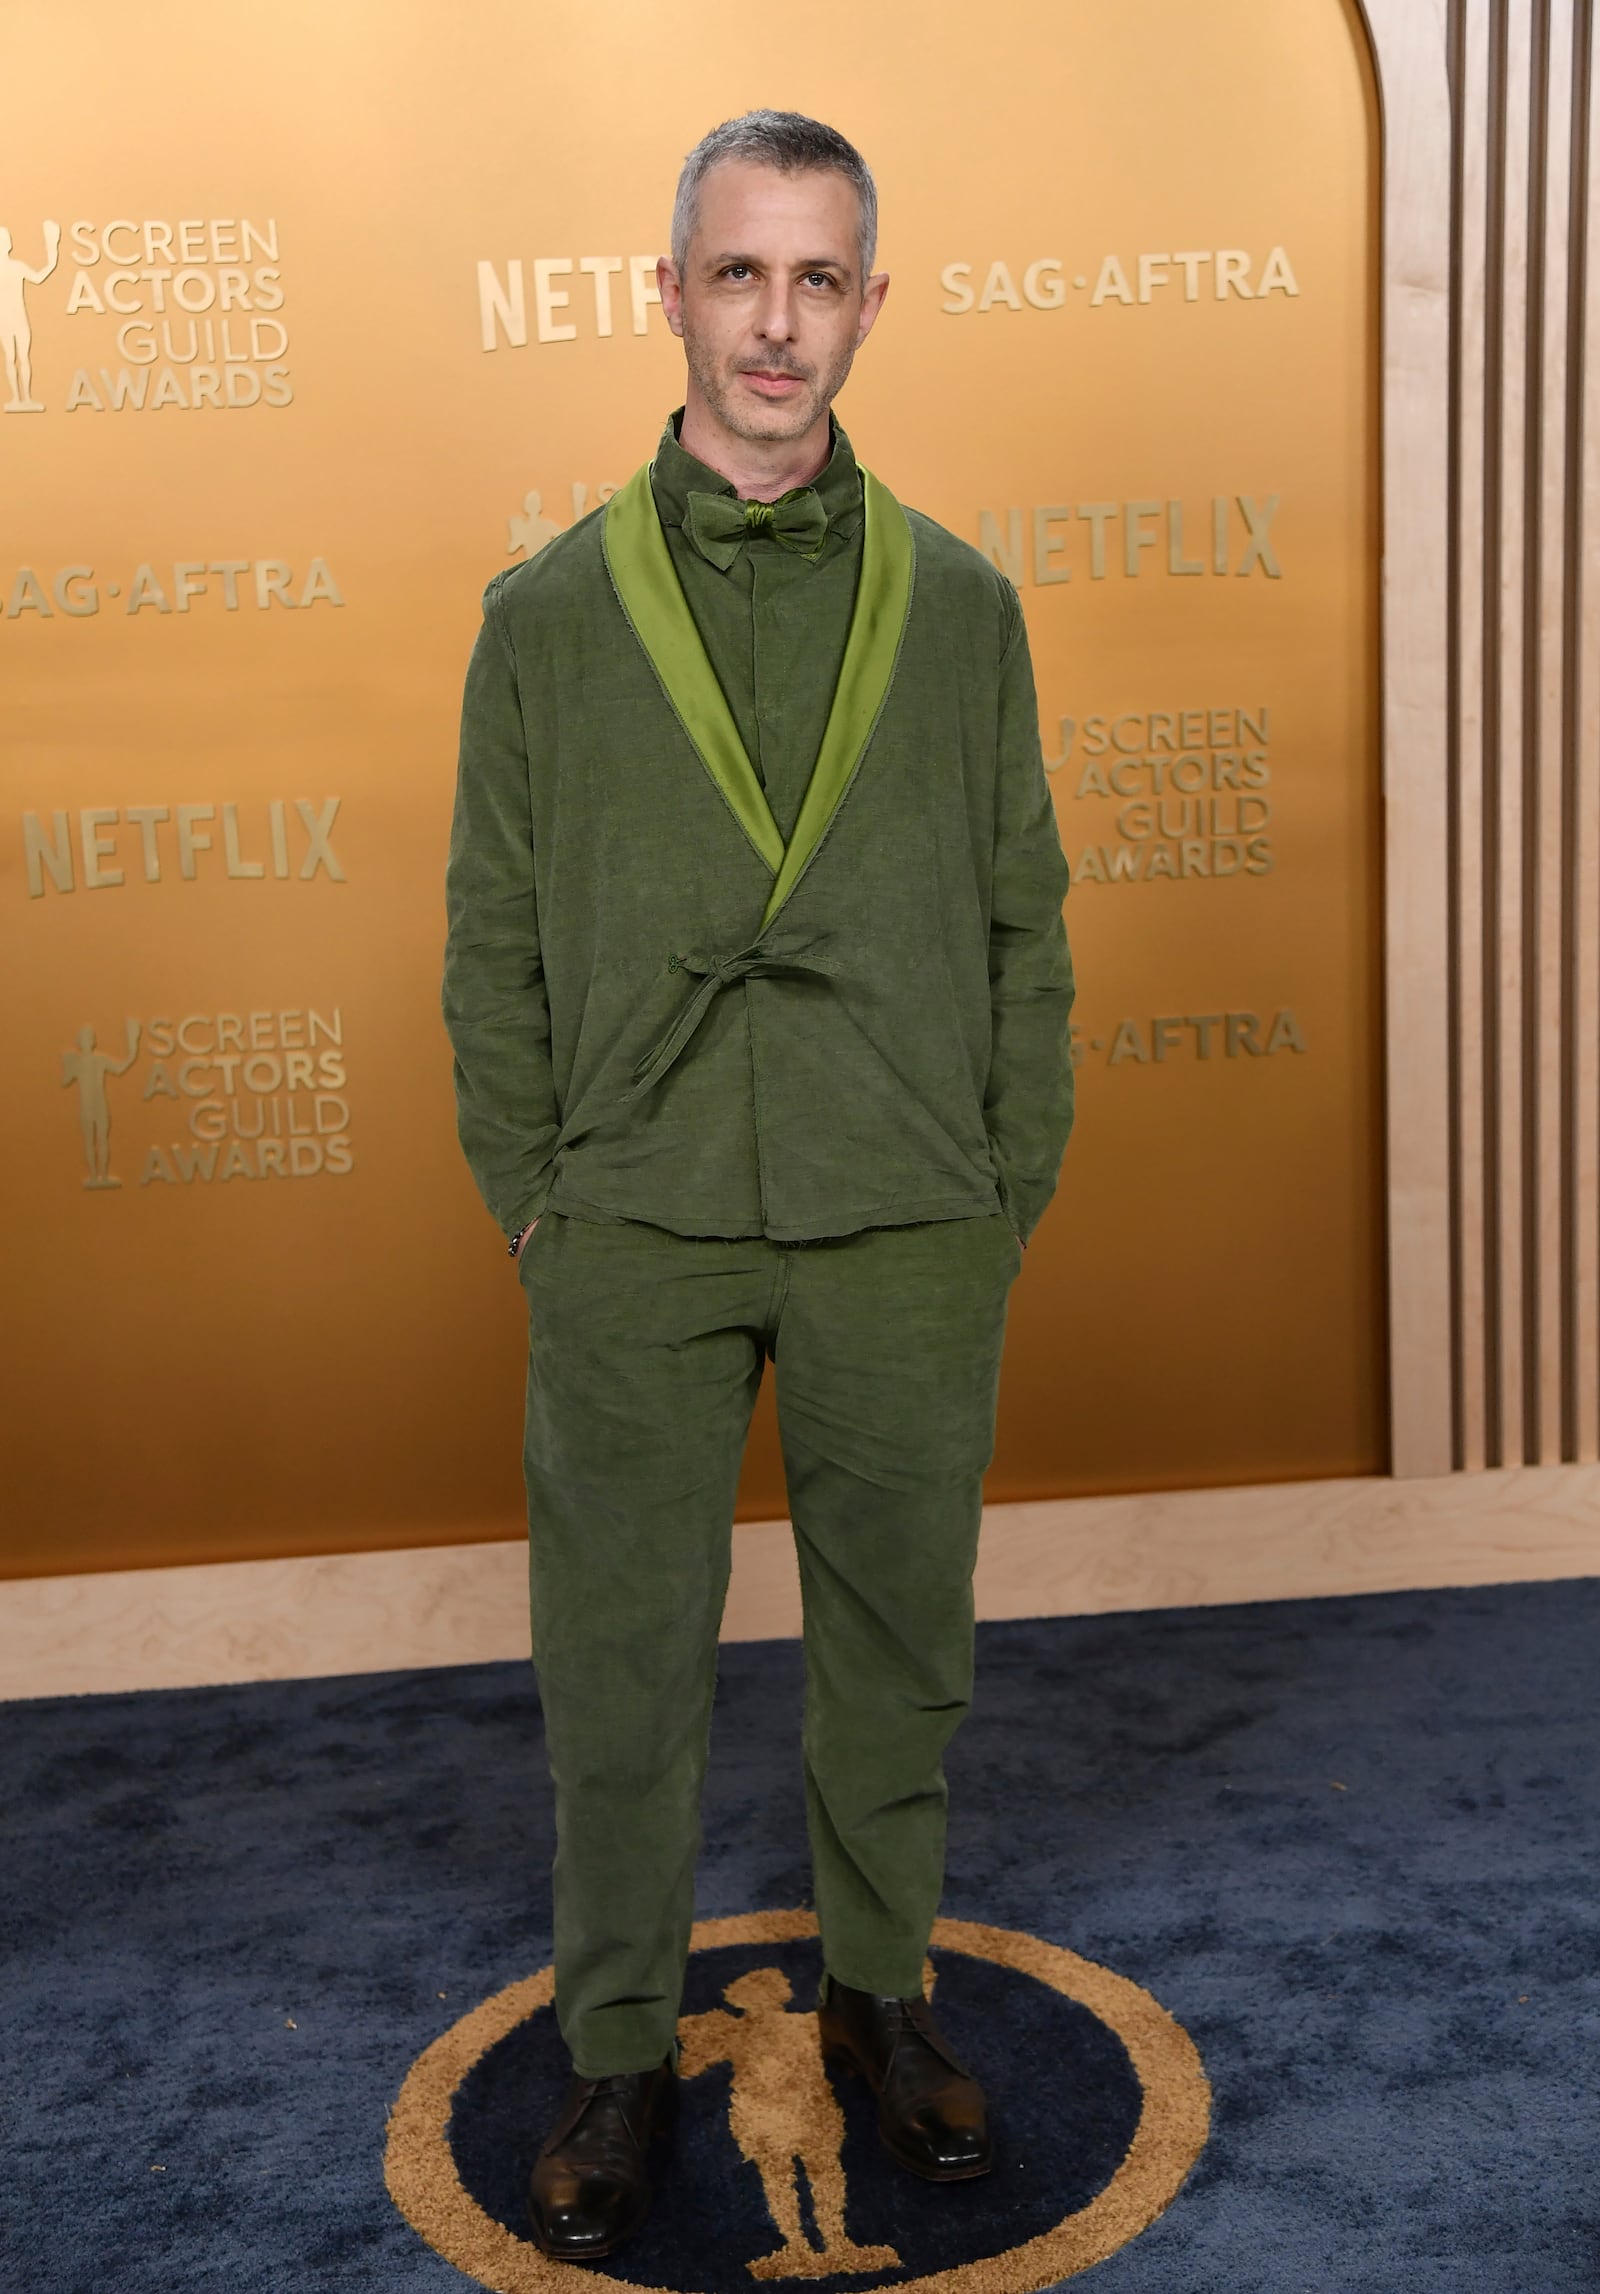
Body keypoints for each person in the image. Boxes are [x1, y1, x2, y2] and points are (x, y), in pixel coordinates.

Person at [442, 108, 1075, 2262]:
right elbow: (488, 936)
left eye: (816, 279)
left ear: (867, 304)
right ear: (672, 294)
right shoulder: (541, 615)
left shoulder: (966, 606)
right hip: (628, 1211)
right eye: (738, 274)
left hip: (908, 1207)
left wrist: (1002, 1185)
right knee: (615, 1653)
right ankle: (620, 2045)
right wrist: (537, 1190)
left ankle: (883, 1995)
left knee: (899, 1643)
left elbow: (1021, 920)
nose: (776, 322)